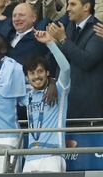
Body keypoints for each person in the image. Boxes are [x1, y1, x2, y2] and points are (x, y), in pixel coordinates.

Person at [47, 0, 103, 119]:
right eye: (68, 4)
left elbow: (86, 61)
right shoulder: (69, 27)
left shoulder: (98, 30)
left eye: (72, 4)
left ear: (86, 7)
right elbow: (61, 61)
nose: (67, 9)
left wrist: (63, 40)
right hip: (67, 102)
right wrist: (50, 43)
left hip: (88, 107)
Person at [21, 29, 70, 172]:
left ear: (48, 73)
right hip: (29, 157)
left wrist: (50, 42)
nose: (36, 76)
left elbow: (66, 69)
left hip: (53, 155)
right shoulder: (26, 95)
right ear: (27, 77)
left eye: (40, 71)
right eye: (32, 73)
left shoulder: (59, 91)